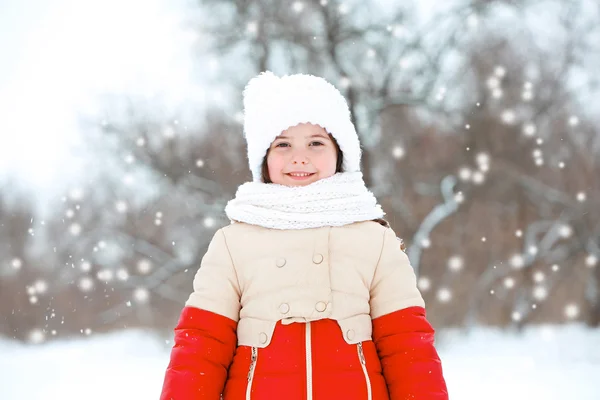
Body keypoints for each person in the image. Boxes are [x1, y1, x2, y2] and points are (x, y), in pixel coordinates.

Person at [160, 71, 448, 400]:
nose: (300, 156)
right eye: (283, 144)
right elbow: (201, 346)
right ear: (263, 159)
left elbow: (407, 347)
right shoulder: (233, 244)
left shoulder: (374, 240)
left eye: (316, 143)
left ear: (340, 154)